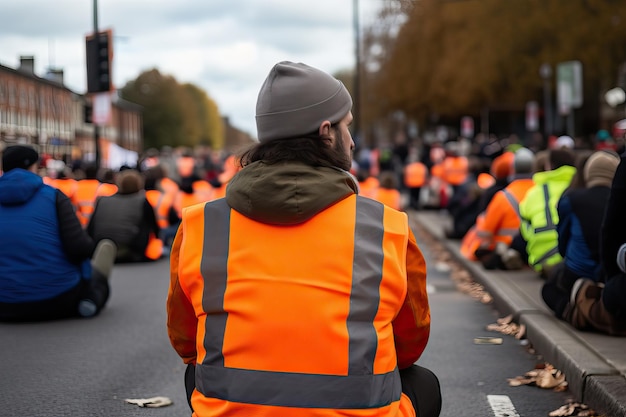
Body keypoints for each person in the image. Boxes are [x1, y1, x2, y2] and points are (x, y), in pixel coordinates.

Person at [167, 61, 441, 417]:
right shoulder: (387, 226)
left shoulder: (201, 224)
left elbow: (185, 341)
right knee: (424, 384)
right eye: (347, 126)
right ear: (326, 132)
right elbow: (410, 345)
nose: (353, 140)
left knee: (196, 374)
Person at [0, 145, 116, 320]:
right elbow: (78, 247)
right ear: (34, 166)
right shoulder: (54, 196)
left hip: (4, 303)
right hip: (55, 297)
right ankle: (89, 300)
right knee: (97, 279)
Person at [542, 151, 620, 321]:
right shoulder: (619, 200)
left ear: (588, 173)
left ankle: (572, 310)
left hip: (579, 272)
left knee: (549, 288)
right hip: (614, 273)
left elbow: (562, 243)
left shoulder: (572, 199)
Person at [518, 148, 576, 278]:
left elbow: (525, 228)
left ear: (549, 165)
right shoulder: (578, 189)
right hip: (571, 258)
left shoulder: (533, 192)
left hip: (540, 258)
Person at [87, 169, 161, 263]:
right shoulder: (142, 201)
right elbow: (154, 227)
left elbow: (90, 228)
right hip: (130, 250)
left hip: (101, 248)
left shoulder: (102, 200)